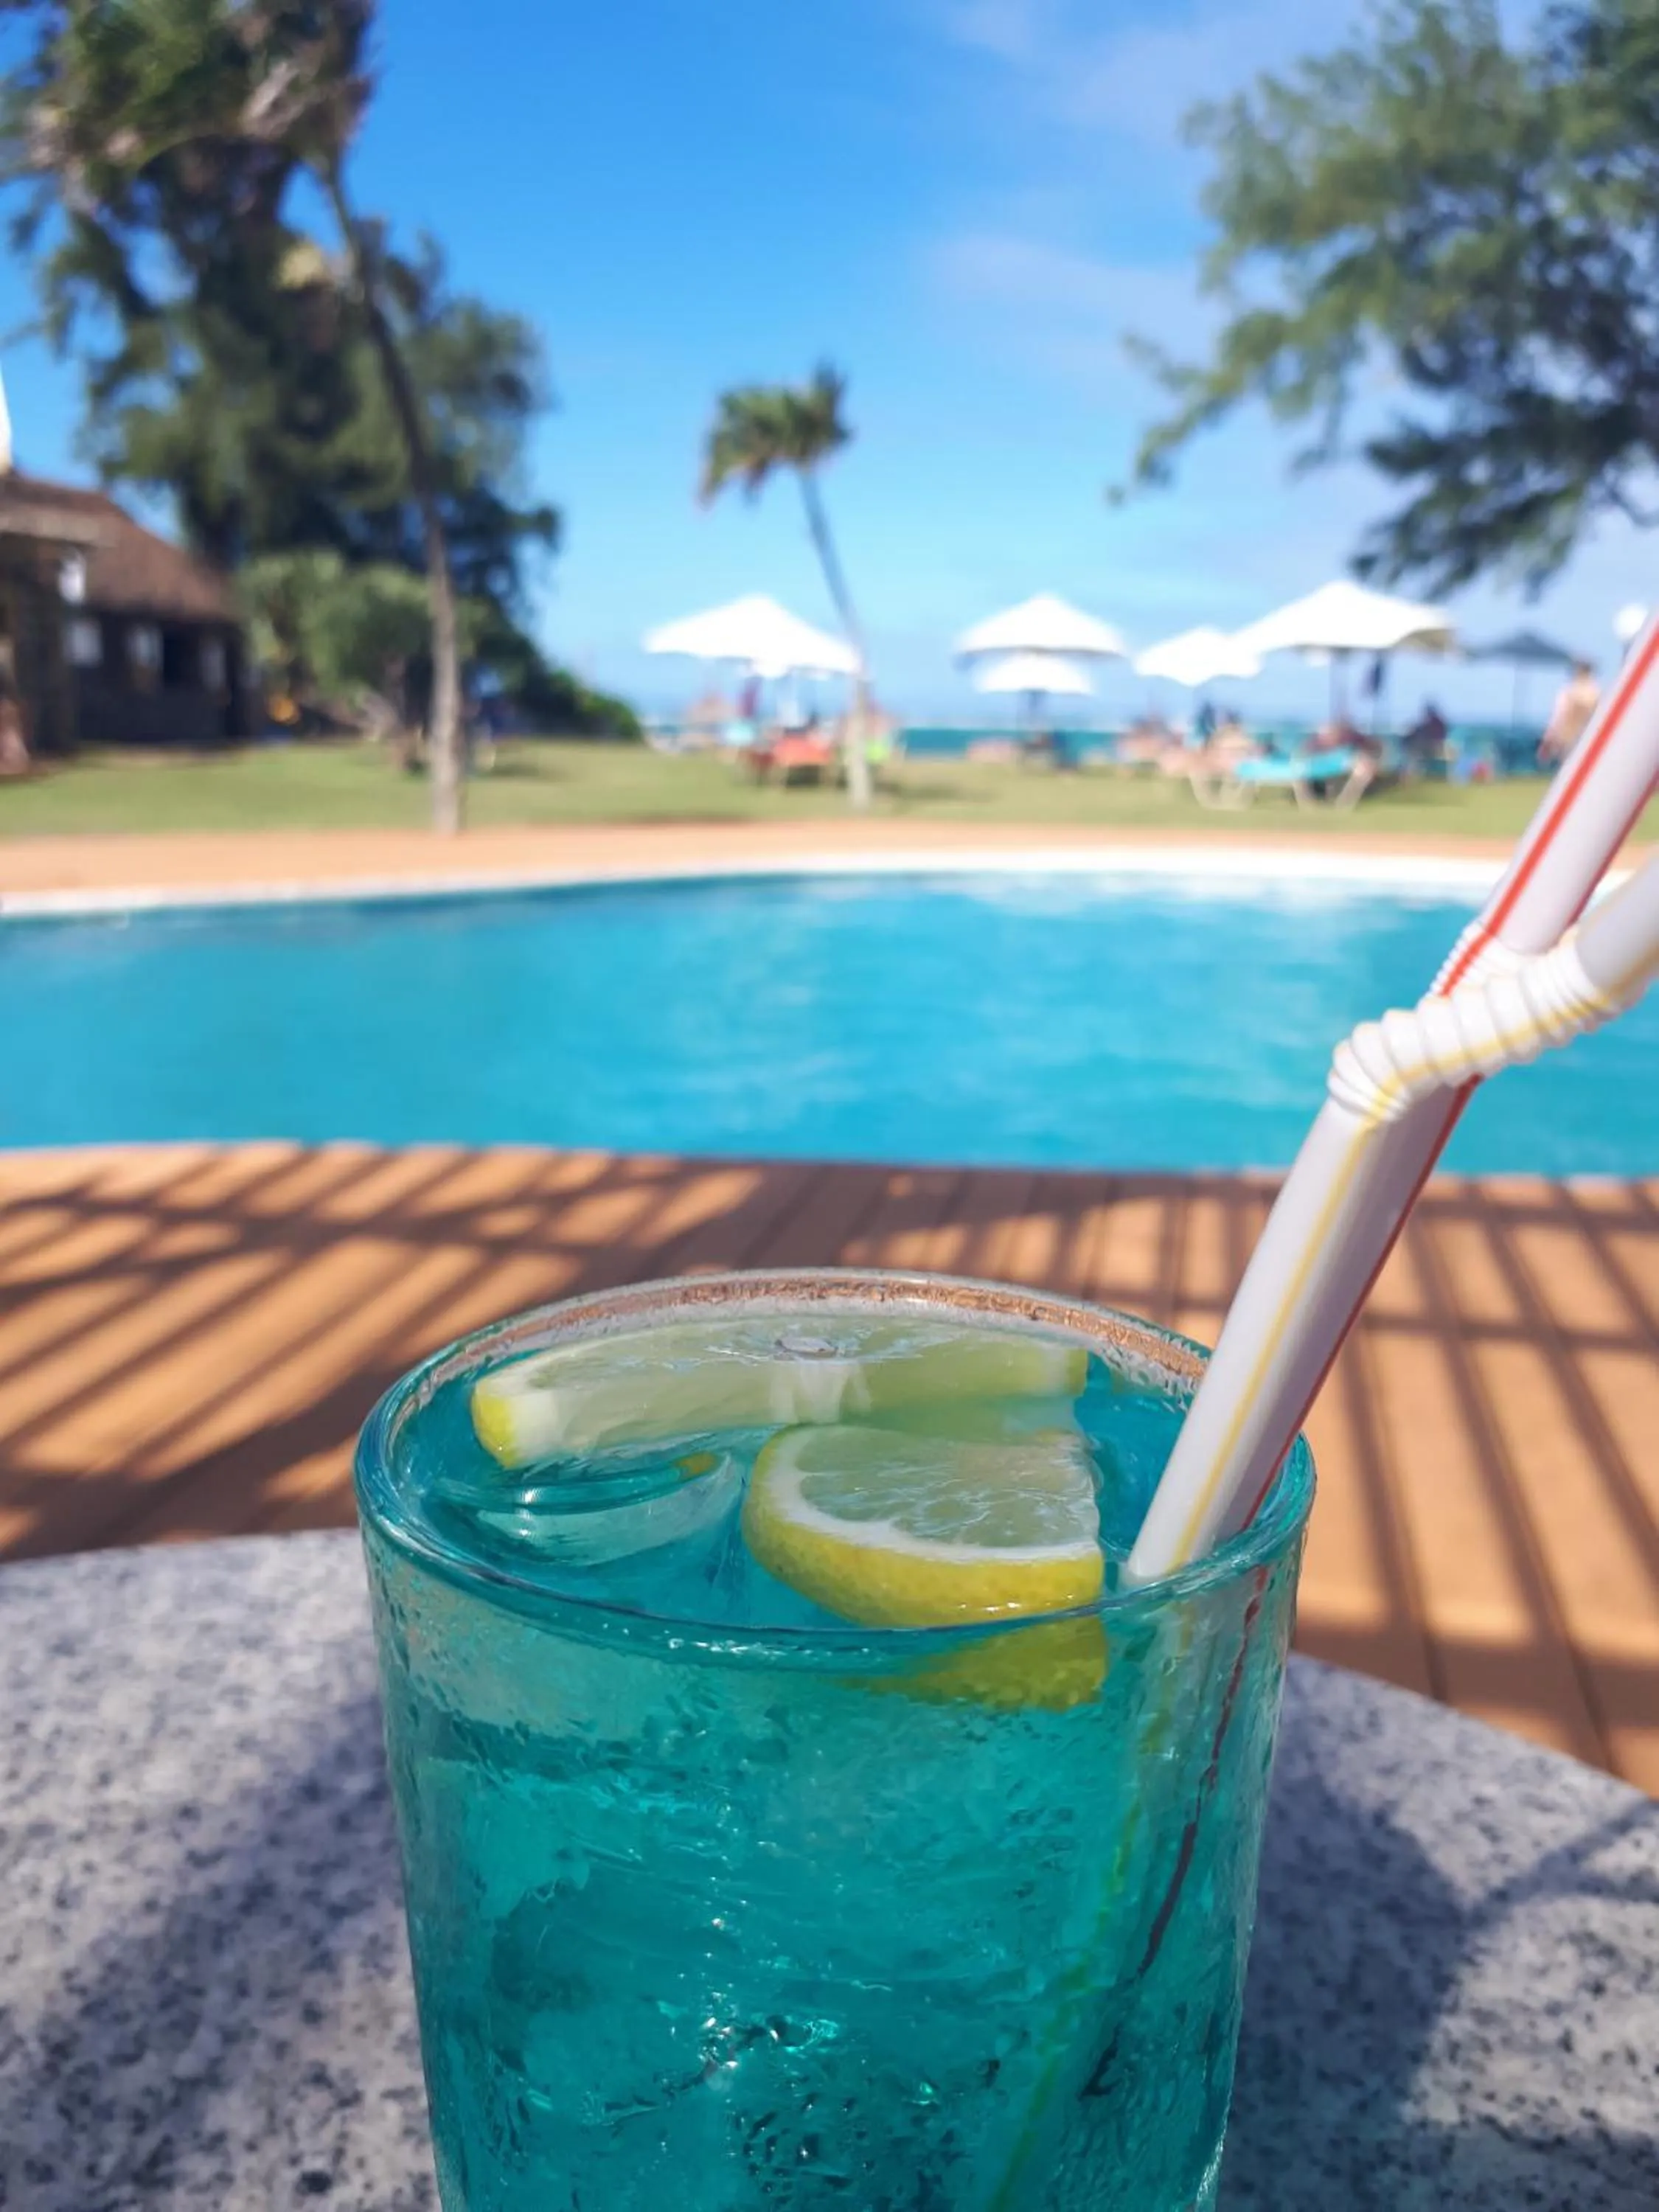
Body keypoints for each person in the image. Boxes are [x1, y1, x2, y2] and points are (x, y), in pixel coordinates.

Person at [1540, 661, 1599, 764]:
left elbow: (1558, 717)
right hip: (1592, 738)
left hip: (1569, 739)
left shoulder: (1569, 691)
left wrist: (1548, 739)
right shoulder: (1597, 692)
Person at [1402, 700, 1450, 776]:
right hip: (1434, 747)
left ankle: (1411, 773)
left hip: (1433, 747)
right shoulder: (1436, 722)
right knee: (1414, 751)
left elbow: (1434, 736)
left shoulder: (1433, 722)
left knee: (1414, 753)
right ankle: (1411, 772)